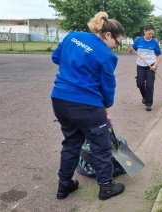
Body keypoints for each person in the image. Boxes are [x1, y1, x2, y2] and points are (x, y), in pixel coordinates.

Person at [51, 11, 125, 201]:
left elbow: (56, 58)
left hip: (59, 100)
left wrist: (74, 67)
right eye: (118, 43)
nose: (116, 47)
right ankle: (106, 187)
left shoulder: (73, 36)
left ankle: (64, 185)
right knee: (101, 146)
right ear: (108, 35)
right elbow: (108, 87)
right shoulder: (107, 56)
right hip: (87, 106)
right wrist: (106, 105)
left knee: (71, 142)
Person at [128, 24, 162, 111]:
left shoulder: (154, 42)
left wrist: (155, 65)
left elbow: (159, 55)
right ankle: (145, 97)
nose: (151, 35)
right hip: (140, 65)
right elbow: (132, 51)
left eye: (152, 34)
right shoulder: (138, 40)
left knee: (150, 85)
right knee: (140, 84)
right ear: (145, 31)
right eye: (150, 33)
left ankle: (148, 103)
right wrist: (130, 50)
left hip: (151, 65)